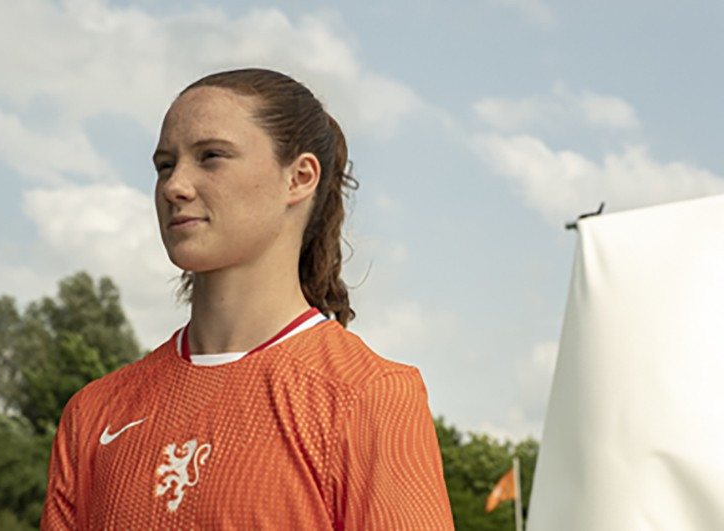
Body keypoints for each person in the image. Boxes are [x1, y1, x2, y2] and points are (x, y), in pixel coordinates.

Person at [41, 68, 453, 530]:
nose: (175, 186)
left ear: (299, 178)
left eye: (211, 156)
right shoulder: (92, 414)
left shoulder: (369, 395)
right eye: (165, 165)